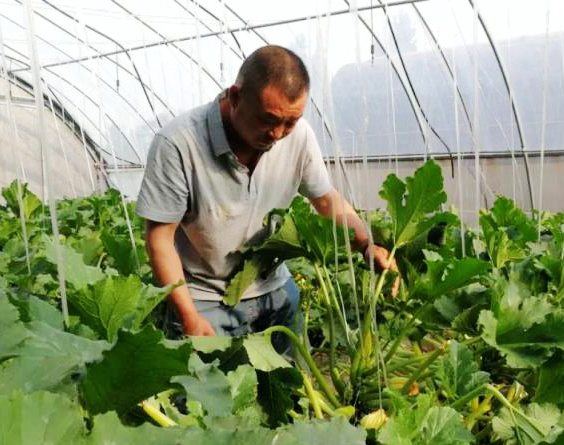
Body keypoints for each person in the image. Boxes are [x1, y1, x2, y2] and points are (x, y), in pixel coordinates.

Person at [135, 45, 398, 349]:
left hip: (275, 290)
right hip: (204, 299)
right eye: (268, 119)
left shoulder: (298, 136)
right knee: (205, 395)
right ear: (235, 97)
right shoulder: (178, 143)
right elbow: (160, 239)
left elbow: (326, 201)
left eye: (291, 121)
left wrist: (367, 244)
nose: (278, 133)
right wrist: (188, 314)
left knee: (288, 391)